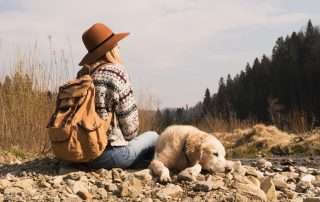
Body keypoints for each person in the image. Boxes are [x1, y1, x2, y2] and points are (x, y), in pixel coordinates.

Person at [77, 23, 158, 169]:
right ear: (111, 49)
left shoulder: (82, 76)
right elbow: (130, 131)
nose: (119, 47)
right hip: (107, 156)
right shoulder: (116, 72)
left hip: (77, 154)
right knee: (154, 136)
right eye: (116, 45)